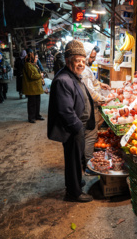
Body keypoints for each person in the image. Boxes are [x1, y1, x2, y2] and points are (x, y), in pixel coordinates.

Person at [47, 40, 95, 203]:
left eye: (83, 60)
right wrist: (77, 128)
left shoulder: (73, 75)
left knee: (76, 158)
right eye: (77, 60)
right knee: (73, 160)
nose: (81, 63)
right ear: (68, 61)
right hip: (73, 129)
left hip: (77, 128)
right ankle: (73, 193)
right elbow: (65, 110)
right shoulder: (63, 80)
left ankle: (76, 182)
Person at [81, 42, 112, 173]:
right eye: (92, 57)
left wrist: (100, 84)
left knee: (87, 135)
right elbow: (91, 92)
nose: (93, 60)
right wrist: (105, 99)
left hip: (85, 106)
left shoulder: (85, 68)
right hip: (88, 108)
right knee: (90, 136)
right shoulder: (84, 70)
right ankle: (89, 166)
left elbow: (92, 83)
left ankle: (84, 161)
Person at [22, 51, 45, 123]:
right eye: (36, 57)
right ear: (31, 58)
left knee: (37, 102)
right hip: (31, 88)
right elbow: (32, 76)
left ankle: (37, 115)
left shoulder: (33, 64)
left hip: (36, 88)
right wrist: (40, 75)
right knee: (32, 104)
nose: (37, 59)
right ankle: (31, 117)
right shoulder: (28, 65)